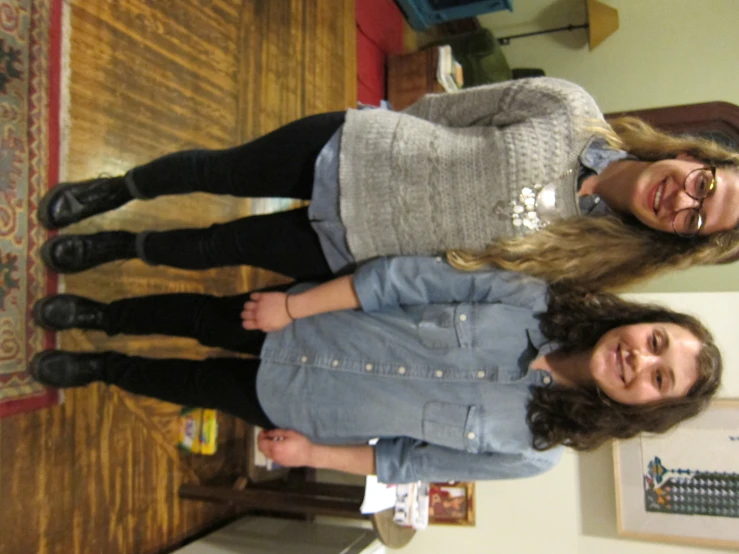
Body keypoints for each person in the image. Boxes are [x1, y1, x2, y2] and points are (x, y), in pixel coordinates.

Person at [29, 257, 722, 483]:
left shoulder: (529, 454)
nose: (642, 359)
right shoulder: (536, 299)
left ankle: (100, 367)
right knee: (193, 317)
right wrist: (296, 306)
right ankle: (100, 316)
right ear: (641, 320)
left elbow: (403, 463)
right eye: (657, 340)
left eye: (659, 379)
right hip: (306, 318)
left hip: (303, 406)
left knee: (179, 383)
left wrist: (312, 453)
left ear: (644, 408)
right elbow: (404, 281)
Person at [37, 78, 739, 290]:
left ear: (677, 240)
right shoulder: (568, 106)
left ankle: (118, 247)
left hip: (356, 245)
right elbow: (443, 109)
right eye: (702, 185)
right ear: (694, 157)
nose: (682, 200)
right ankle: (117, 190)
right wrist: (397, 145)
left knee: (220, 247)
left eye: (693, 220)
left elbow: (463, 280)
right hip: (354, 151)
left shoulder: (595, 262)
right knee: (215, 169)